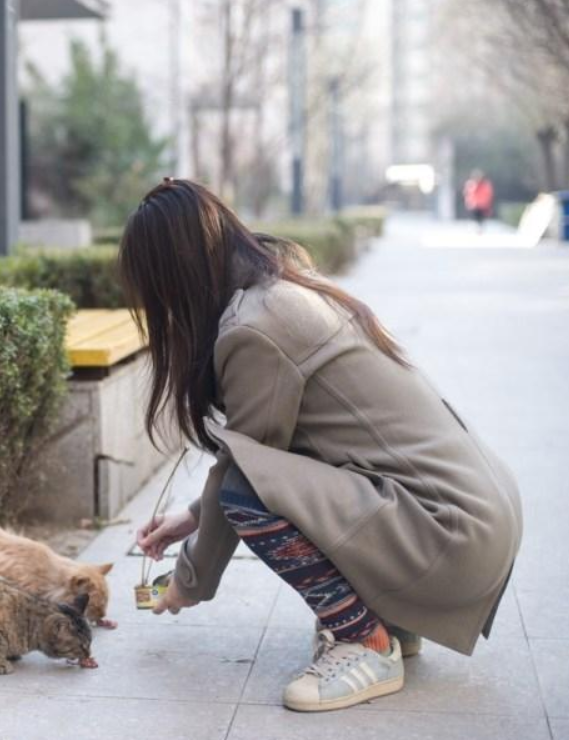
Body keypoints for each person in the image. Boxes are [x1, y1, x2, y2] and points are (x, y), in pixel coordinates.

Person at [126, 178, 521, 713]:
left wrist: (188, 581)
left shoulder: (255, 327)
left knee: (247, 490)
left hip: (449, 535)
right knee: (257, 479)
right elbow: (274, 454)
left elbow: (244, 472)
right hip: (470, 519)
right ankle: (393, 620)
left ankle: (366, 641)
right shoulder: (283, 290)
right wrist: (193, 517)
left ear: (171, 277)